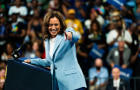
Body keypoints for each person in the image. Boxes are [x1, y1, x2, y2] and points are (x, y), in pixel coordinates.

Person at [24, 11, 87, 90]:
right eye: (50, 25)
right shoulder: (47, 41)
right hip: (59, 84)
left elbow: (77, 36)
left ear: (60, 25)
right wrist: (32, 61)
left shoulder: (67, 33)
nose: (53, 27)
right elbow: (48, 61)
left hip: (73, 83)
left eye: (56, 24)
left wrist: (71, 34)